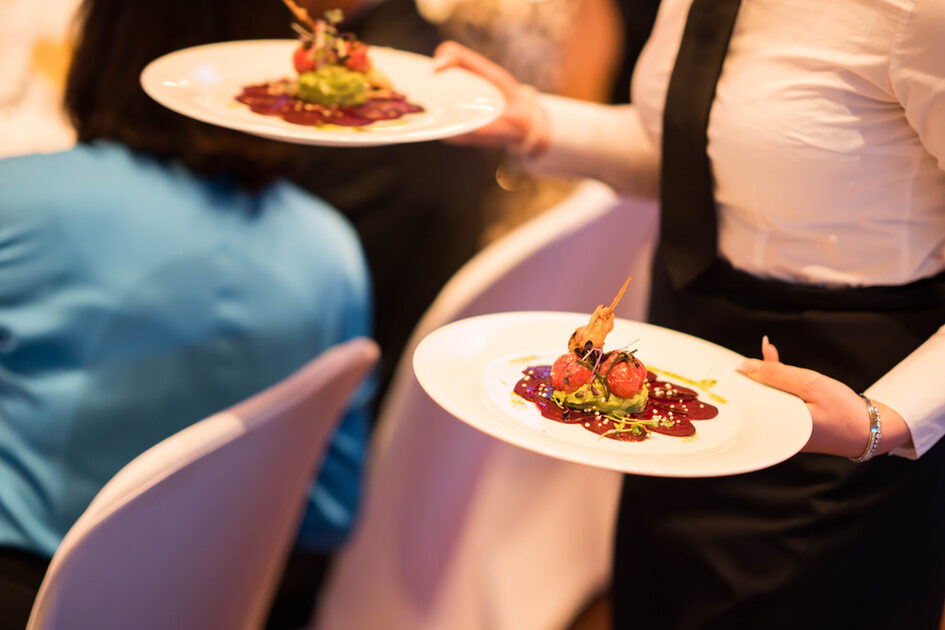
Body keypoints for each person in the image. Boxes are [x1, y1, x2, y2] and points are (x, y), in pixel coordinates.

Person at [434, 0, 945, 627]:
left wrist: (890, 419)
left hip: (847, 397)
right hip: (689, 358)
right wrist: (535, 123)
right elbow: (702, 154)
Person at [0, 1, 374, 628]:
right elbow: (327, 513)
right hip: (223, 607)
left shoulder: (20, 206)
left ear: (104, 45)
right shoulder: (333, 251)